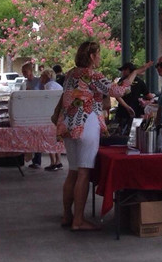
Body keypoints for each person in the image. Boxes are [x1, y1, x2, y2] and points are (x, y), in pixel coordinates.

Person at [56, 40, 151, 231]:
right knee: (84, 172)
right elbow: (118, 91)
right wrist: (134, 73)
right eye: (98, 54)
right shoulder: (92, 75)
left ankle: (68, 215)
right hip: (86, 124)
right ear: (92, 56)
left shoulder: (70, 74)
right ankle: (79, 221)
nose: (100, 57)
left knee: (73, 171)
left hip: (68, 125)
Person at [114, 62, 148, 129]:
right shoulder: (140, 81)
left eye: (123, 70)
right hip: (136, 113)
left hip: (122, 113)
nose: (122, 72)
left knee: (120, 133)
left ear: (127, 70)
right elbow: (149, 95)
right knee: (134, 134)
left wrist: (126, 106)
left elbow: (116, 94)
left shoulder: (122, 81)